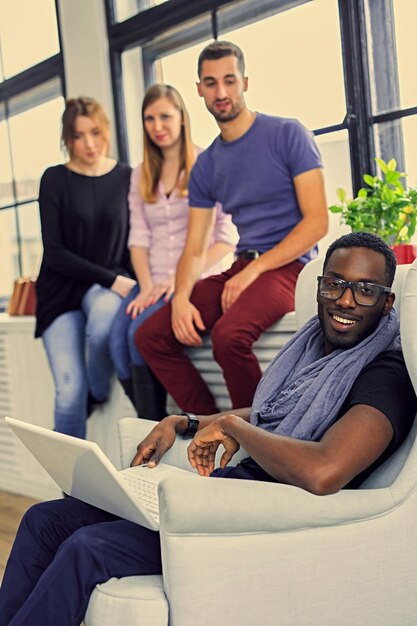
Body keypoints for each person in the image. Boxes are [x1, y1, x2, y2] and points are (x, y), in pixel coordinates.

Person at [1, 232, 416, 626]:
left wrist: (235, 427)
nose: (345, 300)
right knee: (45, 519)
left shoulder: (385, 376)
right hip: (230, 495)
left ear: (387, 302)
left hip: (264, 522)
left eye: (365, 290)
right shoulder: (314, 348)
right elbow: (275, 411)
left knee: (87, 548)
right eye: (335, 285)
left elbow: (325, 472)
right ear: (320, 286)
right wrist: (186, 421)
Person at [135, 40, 329, 414]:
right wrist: (179, 299)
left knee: (228, 336)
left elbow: (317, 222)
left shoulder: (289, 134)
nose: (220, 92)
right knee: (151, 335)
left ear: (244, 82)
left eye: (229, 80)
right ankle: (205, 424)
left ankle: (257, 437)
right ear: (199, 90)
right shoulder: (207, 164)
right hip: (243, 266)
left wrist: (255, 269)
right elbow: (194, 248)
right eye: (210, 83)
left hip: (292, 267)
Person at [109, 84, 236, 420]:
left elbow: (225, 239)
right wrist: (148, 284)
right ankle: (147, 424)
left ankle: (153, 429)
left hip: (191, 279)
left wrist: (175, 281)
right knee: (115, 339)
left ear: (182, 117)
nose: (157, 125)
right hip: (150, 280)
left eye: (165, 116)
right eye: (149, 118)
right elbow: (138, 237)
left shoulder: (205, 165)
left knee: (138, 339)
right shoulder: (140, 174)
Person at [35, 97, 135, 439]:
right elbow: (55, 252)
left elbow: (137, 239)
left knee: (104, 326)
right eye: (78, 136)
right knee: (67, 393)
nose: (89, 144)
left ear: (106, 130)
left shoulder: (127, 176)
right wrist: (114, 278)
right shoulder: (54, 179)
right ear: (68, 139)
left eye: (95, 132)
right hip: (61, 290)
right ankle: (69, 489)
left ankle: (99, 392)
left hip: (105, 288)